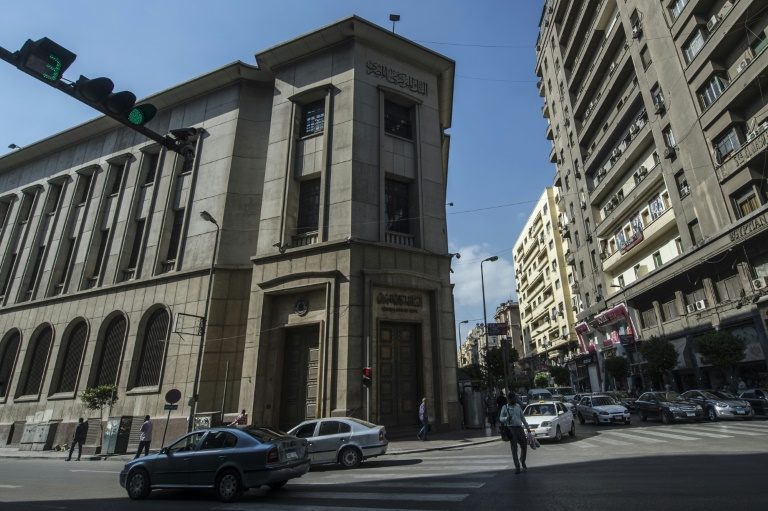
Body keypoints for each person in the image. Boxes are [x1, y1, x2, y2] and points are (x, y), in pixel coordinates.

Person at [499, 393, 530, 474]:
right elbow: (500, 418)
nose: (515, 399)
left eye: (515, 398)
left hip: (519, 428)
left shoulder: (518, 406)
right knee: (514, 448)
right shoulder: (505, 407)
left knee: (524, 445)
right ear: (509, 399)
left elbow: (522, 417)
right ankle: (517, 467)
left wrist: (527, 427)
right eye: (514, 398)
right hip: (511, 429)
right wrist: (506, 418)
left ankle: (522, 460)